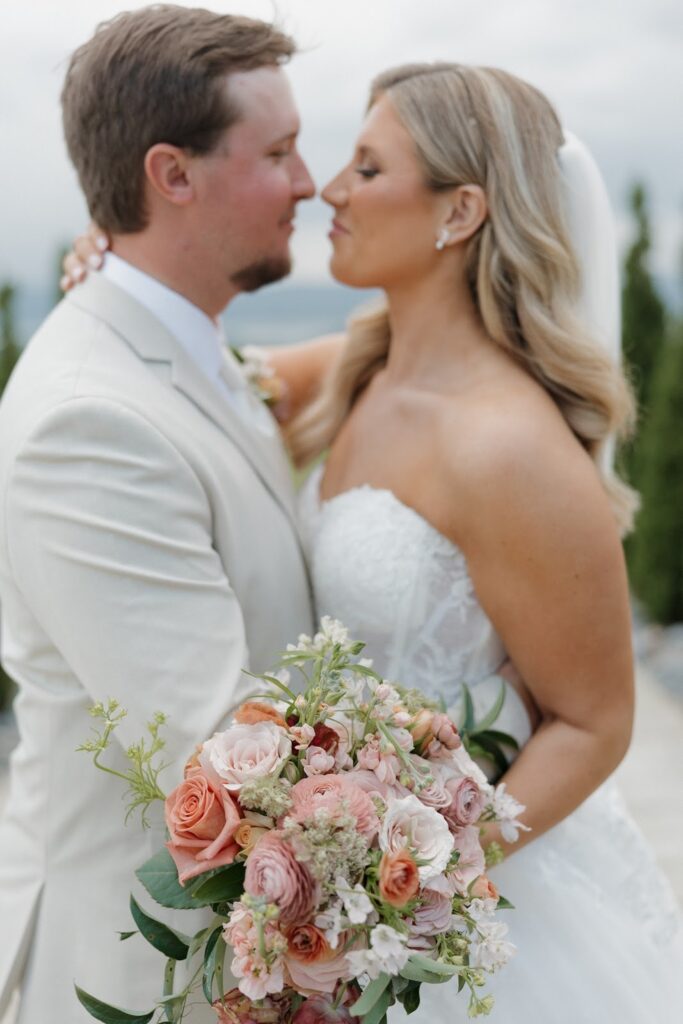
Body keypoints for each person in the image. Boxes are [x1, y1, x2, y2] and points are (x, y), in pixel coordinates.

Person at [61, 62, 683, 1020]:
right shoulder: (359, 366)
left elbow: (596, 723)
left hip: (454, 909)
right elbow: (193, 386)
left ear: (459, 210)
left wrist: (405, 886)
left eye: (366, 167)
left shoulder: (509, 449)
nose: (327, 189)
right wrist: (113, 283)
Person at [0, 6, 315, 1023]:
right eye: (277, 152)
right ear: (171, 175)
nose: (307, 184)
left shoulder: (193, 346)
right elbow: (219, 744)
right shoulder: (89, 418)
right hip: (141, 972)